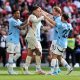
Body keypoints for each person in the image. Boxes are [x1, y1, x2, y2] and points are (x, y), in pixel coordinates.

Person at [42, 11, 73, 75]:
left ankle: (52, 71)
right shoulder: (69, 25)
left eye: (61, 17)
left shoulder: (61, 25)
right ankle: (69, 68)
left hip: (60, 43)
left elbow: (53, 22)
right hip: (65, 43)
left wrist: (45, 16)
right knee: (59, 57)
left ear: (63, 17)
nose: (60, 17)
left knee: (54, 56)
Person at [23, 6, 45, 74]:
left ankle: (26, 68)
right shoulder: (32, 16)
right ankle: (38, 69)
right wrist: (42, 17)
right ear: (34, 11)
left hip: (34, 38)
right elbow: (35, 21)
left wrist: (51, 27)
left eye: (40, 11)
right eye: (38, 11)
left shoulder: (37, 18)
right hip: (32, 37)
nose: (40, 12)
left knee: (30, 53)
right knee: (39, 52)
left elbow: (42, 28)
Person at [6, 9, 28, 74]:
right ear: (14, 14)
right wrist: (28, 23)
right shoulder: (11, 20)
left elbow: (23, 23)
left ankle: (9, 64)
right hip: (11, 39)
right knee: (11, 54)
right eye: (17, 13)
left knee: (18, 54)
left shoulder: (18, 20)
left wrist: (29, 18)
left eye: (19, 13)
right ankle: (10, 70)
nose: (19, 14)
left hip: (16, 39)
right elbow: (20, 27)